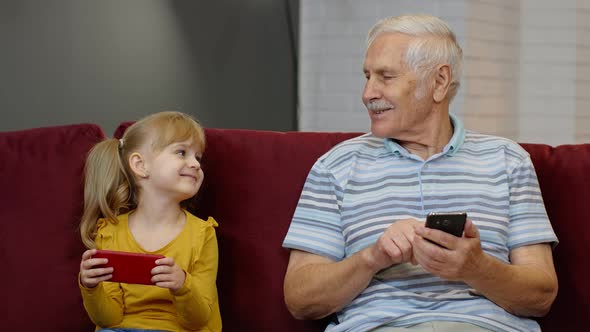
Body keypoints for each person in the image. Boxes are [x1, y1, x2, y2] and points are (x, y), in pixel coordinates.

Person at [282, 15, 558, 332]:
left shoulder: (508, 161)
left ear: (439, 82)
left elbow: (541, 295)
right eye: (367, 77)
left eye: (385, 77)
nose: (368, 93)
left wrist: (476, 267)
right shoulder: (335, 166)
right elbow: (300, 299)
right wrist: (373, 257)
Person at [78, 111, 221, 332]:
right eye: (181, 152)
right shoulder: (110, 232)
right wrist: (91, 286)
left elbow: (199, 319)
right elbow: (108, 319)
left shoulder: (203, 234)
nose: (195, 164)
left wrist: (182, 284)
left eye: (198, 157)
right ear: (140, 165)